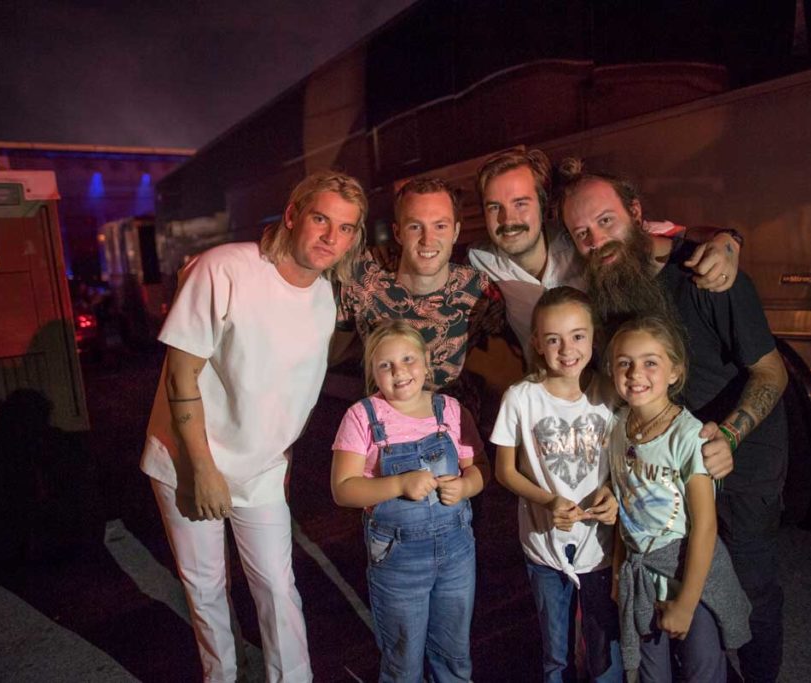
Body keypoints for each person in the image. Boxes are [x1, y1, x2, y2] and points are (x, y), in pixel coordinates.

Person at [557, 159, 788, 683]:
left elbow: (772, 373)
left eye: (607, 221)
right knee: (682, 587)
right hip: (665, 472)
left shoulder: (708, 274)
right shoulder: (607, 295)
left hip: (740, 460)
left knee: (749, 591)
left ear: (637, 213)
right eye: (582, 233)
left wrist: (730, 433)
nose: (597, 240)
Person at [140, 170, 367, 683]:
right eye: (321, 219)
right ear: (292, 215)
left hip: (261, 470)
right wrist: (200, 469)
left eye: (348, 228)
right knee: (206, 585)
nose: (333, 237)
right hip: (187, 459)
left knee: (277, 585)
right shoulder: (225, 269)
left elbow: (286, 389)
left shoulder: (324, 298)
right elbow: (181, 372)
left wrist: (279, 456)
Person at [331, 320, 490, 682]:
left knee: (454, 655)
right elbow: (343, 488)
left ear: (426, 360)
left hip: (456, 555)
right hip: (399, 560)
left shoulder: (449, 409)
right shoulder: (362, 417)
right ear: (373, 371)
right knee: (403, 661)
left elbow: (480, 468)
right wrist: (399, 483)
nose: (399, 372)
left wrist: (466, 487)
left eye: (407, 360)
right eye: (385, 365)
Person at [468, 148, 742, 355]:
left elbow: (671, 234)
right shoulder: (480, 259)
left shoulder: (581, 239)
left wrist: (727, 241)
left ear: (543, 205)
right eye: (494, 207)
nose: (508, 219)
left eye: (521, 203)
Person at [606, 315, 751, 682]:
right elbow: (625, 512)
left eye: (650, 362)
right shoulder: (618, 429)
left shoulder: (689, 437)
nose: (636, 373)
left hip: (690, 578)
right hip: (641, 579)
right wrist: (617, 575)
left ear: (675, 371)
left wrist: (686, 605)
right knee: (651, 673)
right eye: (625, 363)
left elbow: (705, 527)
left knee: (703, 672)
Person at [491, 286, 622, 682]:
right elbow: (505, 471)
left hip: (600, 548)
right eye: (554, 339)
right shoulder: (520, 398)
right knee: (556, 653)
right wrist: (549, 500)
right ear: (536, 342)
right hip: (544, 549)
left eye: (578, 336)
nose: (567, 349)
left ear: (594, 336)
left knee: (605, 654)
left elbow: (626, 462)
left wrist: (614, 494)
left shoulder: (611, 394)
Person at [336, 177, 505, 419]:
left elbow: (502, 373)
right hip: (382, 428)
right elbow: (333, 353)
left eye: (440, 226)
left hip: (456, 431)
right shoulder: (363, 275)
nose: (427, 239)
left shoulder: (479, 291)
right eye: (415, 226)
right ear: (398, 232)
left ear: (456, 231)